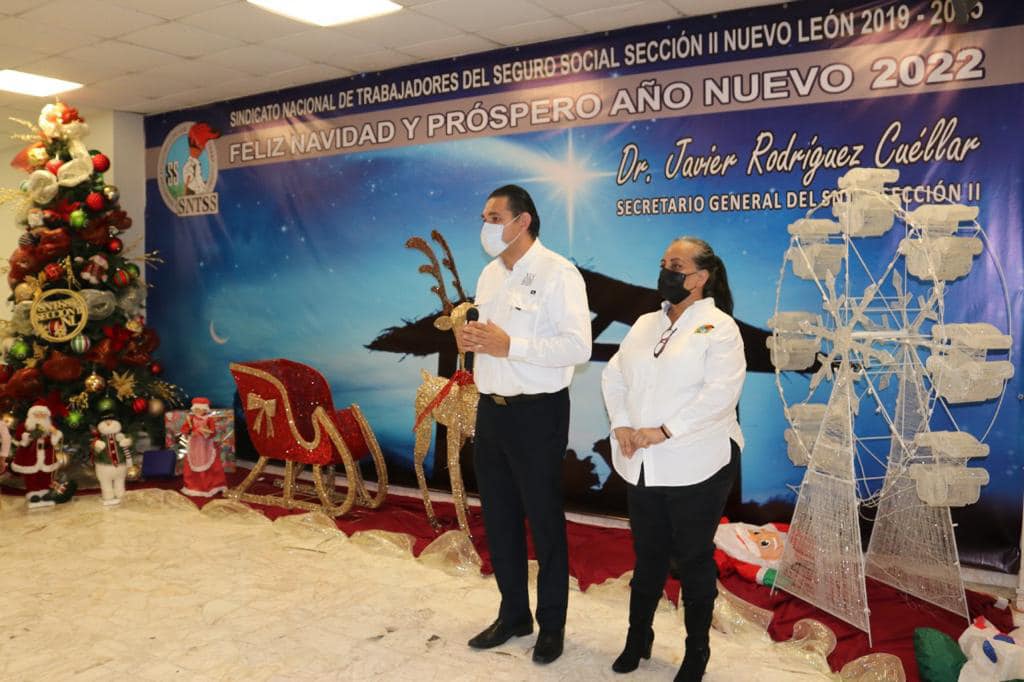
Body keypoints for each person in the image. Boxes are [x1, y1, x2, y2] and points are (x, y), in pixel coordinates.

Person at [457, 184, 591, 665]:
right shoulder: (490, 274)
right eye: (484, 218)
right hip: (491, 410)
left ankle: (552, 625)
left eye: (495, 218)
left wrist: (511, 346)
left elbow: (579, 347)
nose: (486, 227)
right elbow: (488, 339)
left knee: (544, 520)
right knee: (498, 517)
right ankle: (513, 613)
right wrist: (470, 339)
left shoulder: (559, 273)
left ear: (523, 221)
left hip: (538, 413)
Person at [601, 236, 745, 681]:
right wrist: (622, 424)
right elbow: (614, 375)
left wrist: (665, 430)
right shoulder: (646, 323)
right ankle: (637, 638)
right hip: (643, 461)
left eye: (676, 265)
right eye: (664, 262)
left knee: (693, 557)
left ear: (700, 278)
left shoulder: (720, 327)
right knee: (647, 553)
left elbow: (720, 395)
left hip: (697, 461)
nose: (666, 272)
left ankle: (696, 650)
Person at [180, 397, 228, 497]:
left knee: (210, 462)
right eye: (196, 409)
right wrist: (190, 432)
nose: (198, 411)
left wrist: (206, 432)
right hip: (194, 445)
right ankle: (193, 486)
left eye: (200, 409)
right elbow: (184, 429)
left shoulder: (209, 419)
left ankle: (213, 485)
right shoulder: (190, 419)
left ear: (205, 410)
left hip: (206, 445)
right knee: (193, 461)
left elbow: (213, 432)